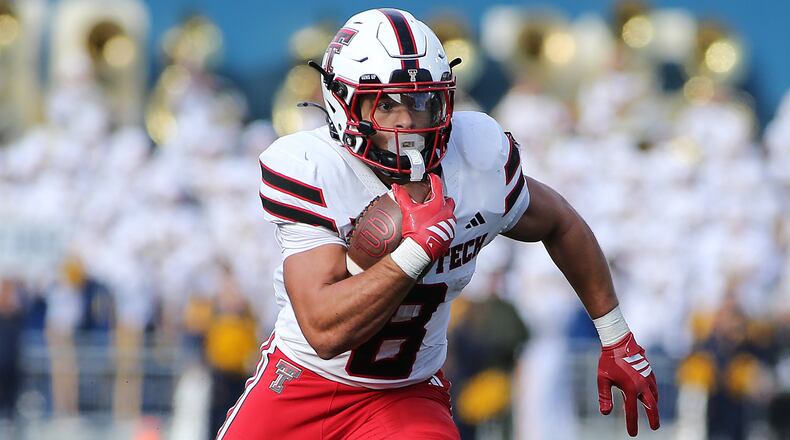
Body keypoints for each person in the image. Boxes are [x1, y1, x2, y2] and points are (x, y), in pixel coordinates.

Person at [218, 8, 659, 439]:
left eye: (422, 101)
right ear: (343, 103)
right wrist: (417, 249)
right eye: (386, 104)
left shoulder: (475, 158)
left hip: (403, 397)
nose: (407, 120)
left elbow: (560, 222)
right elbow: (324, 331)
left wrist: (615, 335)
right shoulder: (314, 167)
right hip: (304, 384)